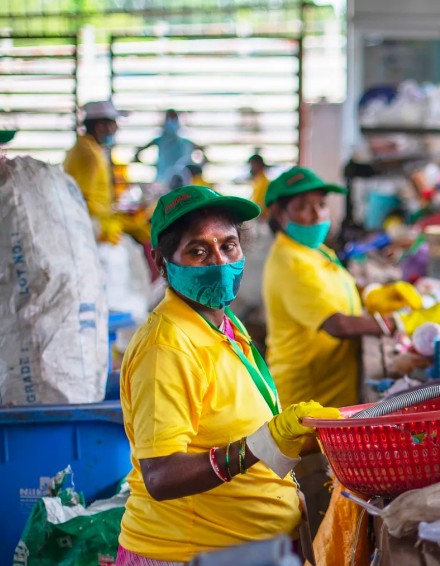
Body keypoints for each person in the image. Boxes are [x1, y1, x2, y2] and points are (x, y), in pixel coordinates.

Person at [118, 184, 340, 564]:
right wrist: (259, 445)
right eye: (198, 251)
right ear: (161, 261)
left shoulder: (222, 323)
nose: (218, 262)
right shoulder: (167, 346)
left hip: (247, 546)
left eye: (228, 246)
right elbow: (161, 475)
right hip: (189, 552)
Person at [261, 166, 421, 532]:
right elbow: (338, 324)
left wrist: (375, 298)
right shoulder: (291, 261)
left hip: (333, 391)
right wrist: (398, 324)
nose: (317, 214)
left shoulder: (316, 251)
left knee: (331, 492)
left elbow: (344, 298)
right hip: (308, 397)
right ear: (279, 215)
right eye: (303, 207)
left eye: (321, 205)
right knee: (315, 496)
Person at [64, 100, 128, 244]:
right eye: (113, 125)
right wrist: (104, 230)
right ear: (100, 127)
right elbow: (81, 199)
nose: (116, 130)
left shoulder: (85, 147)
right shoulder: (89, 155)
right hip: (93, 228)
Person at [133, 109, 203, 185]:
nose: (171, 122)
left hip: (181, 182)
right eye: (169, 119)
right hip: (162, 182)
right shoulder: (159, 141)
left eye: (173, 118)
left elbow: (201, 151)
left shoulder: (186, 142)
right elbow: (138, 153)